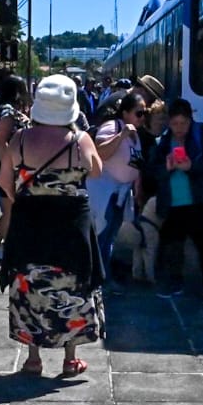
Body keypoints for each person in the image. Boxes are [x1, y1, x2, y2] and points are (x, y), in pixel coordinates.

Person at [0, 74, 104, 377]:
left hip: (29, 223)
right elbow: (96, 171)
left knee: (29, 281)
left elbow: (6, 182)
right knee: (72, 283)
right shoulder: (79, 140)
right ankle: (70, 359)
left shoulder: (19, 139)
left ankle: (33, 358)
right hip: (70, 227)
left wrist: (27, 199)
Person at [148, 98, 203, 302]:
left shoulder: (202, 133)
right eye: (174, 124)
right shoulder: (165, 141)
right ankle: (174, 283)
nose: (179, 129)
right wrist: (166, 169)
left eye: (183, 123)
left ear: (190, 121)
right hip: (174, 203)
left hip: (200, 201)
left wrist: (191, 166)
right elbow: (153, 171)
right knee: (172, 245)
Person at [86, 90, 146, 274]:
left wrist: (138, 187)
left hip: (122, 194)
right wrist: (121, 136)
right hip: (105, 193)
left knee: (110, 237)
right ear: (125, 113)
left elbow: (136, 164)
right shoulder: (114, 127)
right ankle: (97, 276)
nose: (142, 118)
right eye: (139, 113)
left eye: (145, 113)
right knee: (101, 237)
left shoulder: (136, 134)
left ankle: (103, 276)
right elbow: (99, 152)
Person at [0, 75, 31, 261]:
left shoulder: (9, 110)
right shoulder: (7, 112)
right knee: (10, 210)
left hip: (13, 165)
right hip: (9, 167)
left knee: (12, 210)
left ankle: (2, 243)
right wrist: (7, 170)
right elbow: (2, 142)